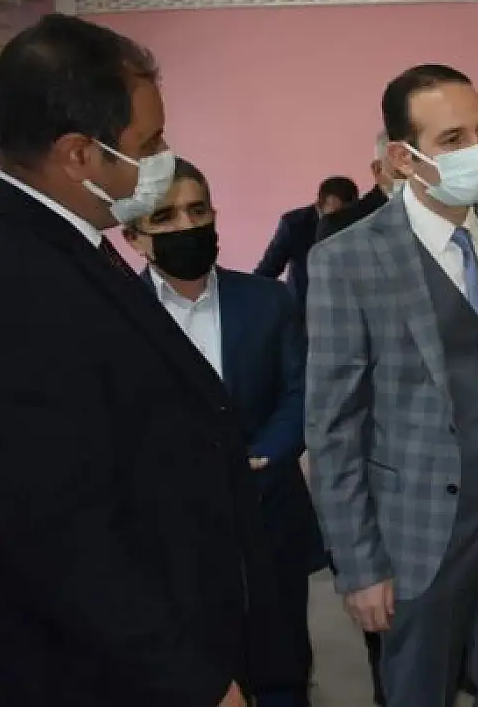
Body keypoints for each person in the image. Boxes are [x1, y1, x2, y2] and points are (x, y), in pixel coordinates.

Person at [0, 14, 301, 706]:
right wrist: (193, 680)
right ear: (79, 154)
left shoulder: (69, 241)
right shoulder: (20, 277)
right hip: (123, 668)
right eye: (150, 142)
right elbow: (53, 529)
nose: (165, 156)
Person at [306, 64, 478, 707]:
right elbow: (333, 428)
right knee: (419, 688)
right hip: (419, 525)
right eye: (453, 139)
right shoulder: (347, 259)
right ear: (404, 157)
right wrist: (359, 564)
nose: (477, 150)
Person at [122, 158, 328, 707]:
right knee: (206, 666)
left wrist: (266, 454)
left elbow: (302, 390)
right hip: (174, 529)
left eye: (197, 210)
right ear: (134, 238)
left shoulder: (267, 300)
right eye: (164, 217)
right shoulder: (119, 317)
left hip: (270, 511)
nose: (186, 225)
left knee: (284, 659)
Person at [254, 175, 358, 306]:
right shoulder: (294, 225)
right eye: (335, 216)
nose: (342, 221)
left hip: (345, 304)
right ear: (318, 206)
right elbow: (267, 271)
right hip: (303, 307)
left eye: (346, 215)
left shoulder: (360, 221)